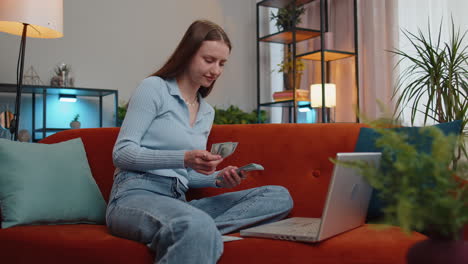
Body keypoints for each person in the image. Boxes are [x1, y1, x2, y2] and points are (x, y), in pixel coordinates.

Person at [106, 20, 293, 264]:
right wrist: (184, 157)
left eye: (222, 63)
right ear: (187, 54)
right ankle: (194, 231)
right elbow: (122, 154)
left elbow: (185, 176)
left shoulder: (207, 112)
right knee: (195, 223)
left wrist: (217, 178)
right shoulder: (154, 89)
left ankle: (191, 233)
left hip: (179, 202)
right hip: (135, 194)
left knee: (279, 196)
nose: (215, 70)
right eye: (209, 60)